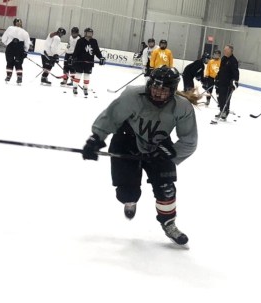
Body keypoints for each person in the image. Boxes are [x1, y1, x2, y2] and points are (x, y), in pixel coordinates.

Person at [81, 66, 200, 245]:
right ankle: (130, 199)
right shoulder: (132, 96)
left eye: (163, 89)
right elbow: (111, 117)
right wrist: (96, 138)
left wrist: (169, 154)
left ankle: (168, 223)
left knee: (166, 188)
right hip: (126, 141)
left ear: (173, 90)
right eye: (155, 87)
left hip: (159, 145)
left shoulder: (182, 107)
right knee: (126, 193)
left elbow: (189, 141)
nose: (157, 93)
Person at [72, 28, 105, 96]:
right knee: (78, 74)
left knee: (87, 75)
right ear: (85, 33)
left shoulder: (94, 41)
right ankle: (75, 87)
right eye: (88, 33)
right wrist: (73, 58)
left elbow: (97, 51)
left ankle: (85, 88)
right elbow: (76, 50)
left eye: (91, 33)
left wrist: (100, 57)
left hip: (89, 62)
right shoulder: (80, 41)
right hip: (80, 61)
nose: (90, 34)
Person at [1, 18, 30, 85]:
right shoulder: (25, 32)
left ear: (14, 23)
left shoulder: (10, 28)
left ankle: (8, 76)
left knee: (9, 62)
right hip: (19, 49)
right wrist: (25, 51)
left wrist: (7, 44)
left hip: (10, 48)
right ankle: (19, 77)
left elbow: (3, 39)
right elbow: (27, 44)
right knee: (18, 63)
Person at [215, 44, 239, 121]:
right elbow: (220, 69)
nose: (224, 51)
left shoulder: (233, 60)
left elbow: (236, 72)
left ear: (230, 51)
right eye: (224, 49)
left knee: (226, 98)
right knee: (220, 97)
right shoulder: (224, 58)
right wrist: (217, 78)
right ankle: (221, 110)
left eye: (226, 50)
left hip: (228, 84)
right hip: (221, 81)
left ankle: (225, 112)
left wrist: (235, 81)